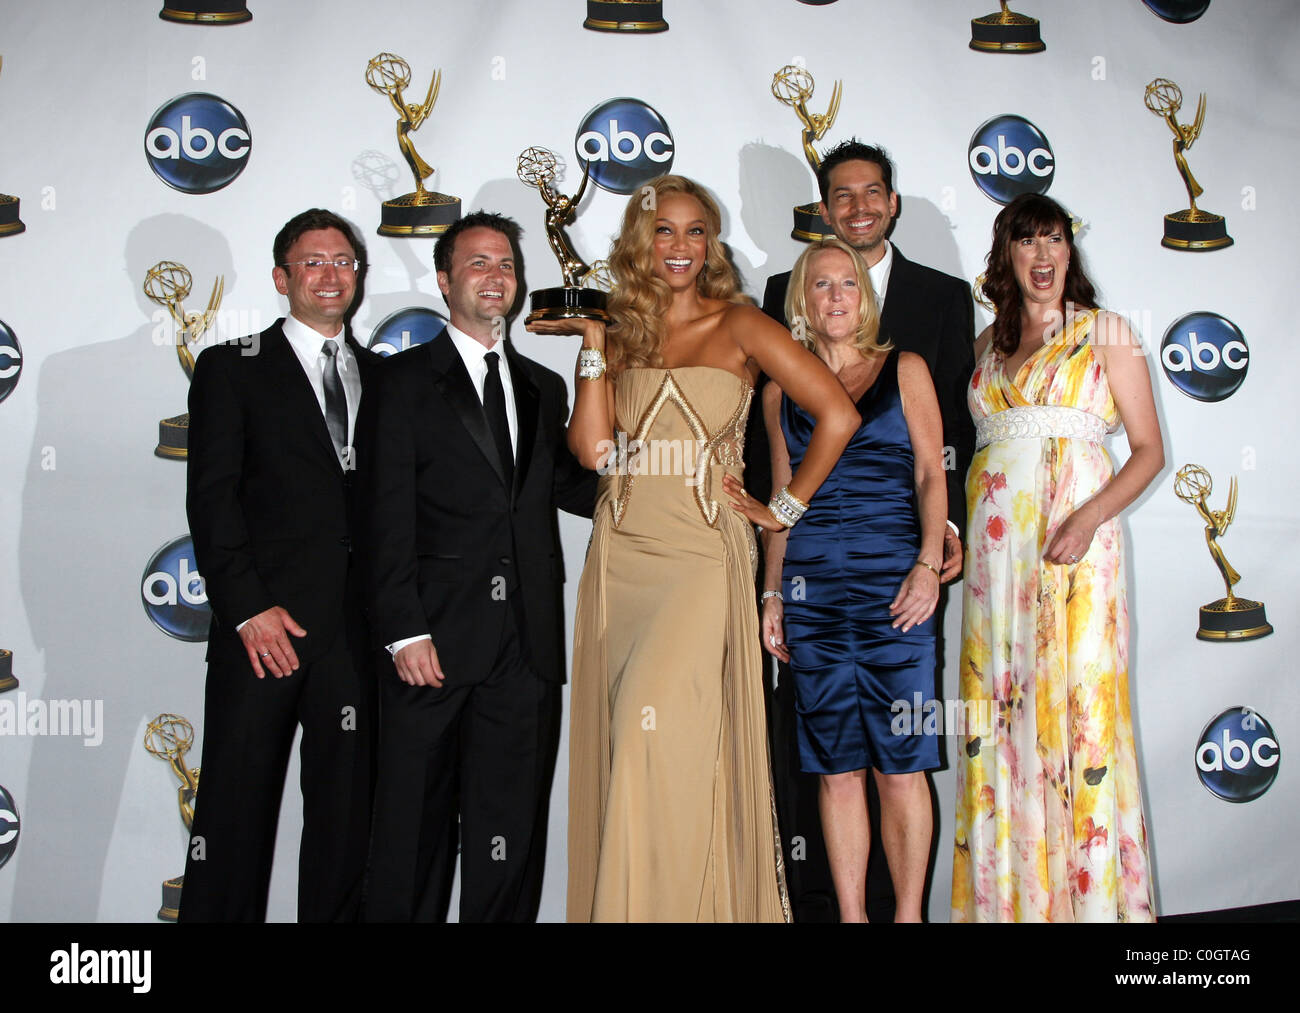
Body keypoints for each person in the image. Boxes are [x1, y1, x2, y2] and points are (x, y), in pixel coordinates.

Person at [533, 175, 859, 922]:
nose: (679, 246)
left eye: (695, 231)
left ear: (711, 244)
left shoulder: (740, 323)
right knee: (637, 743)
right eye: (664, 231)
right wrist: (592, 342)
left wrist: (782, 509)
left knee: (651, 737)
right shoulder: (619, 329)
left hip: (702, 560)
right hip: (622, 556)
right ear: (639, 242)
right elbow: (591, 452)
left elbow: (836, 414)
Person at [757, 139, 973, 921]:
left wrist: (927, 562)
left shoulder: (906, 367)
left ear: (865, 295)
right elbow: (782, 497)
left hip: (896, 590)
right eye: (821, 284)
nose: (836, 294)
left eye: (848, 282)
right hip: (813, 593)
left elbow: (932, 472)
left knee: (901, 764)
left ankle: (907, 916)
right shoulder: (779, 390)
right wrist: (772, 593)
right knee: (835, 765)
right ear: (802, 298)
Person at [359, 211, 595, 922]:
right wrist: (403, 630)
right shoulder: (398, 382)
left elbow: (572, 488)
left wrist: (672, 472)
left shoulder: (541, 387)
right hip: (429, 642)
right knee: (411, 835)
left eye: (506, 265)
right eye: (478, 264)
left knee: (509, 837)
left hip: (524, 649)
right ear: (444, 281)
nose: (496, 277)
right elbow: (381, 514)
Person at [952, 194, 1162, 922]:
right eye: (1027, 242)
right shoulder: (986, 344)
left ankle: (1092, 909)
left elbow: (1148, 451)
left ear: (1070, 251)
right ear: (1006, 255)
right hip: (994, 567)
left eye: (1054, 240)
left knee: (1081, 713)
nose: (1042, 256)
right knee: (1000, 720)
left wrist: (1086, 517)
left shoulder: (1107, 332)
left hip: (1076, 556)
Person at [182, 208, 380, 921]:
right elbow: (212, 501)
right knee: (232, 822)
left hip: (357, 639)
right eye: (313, 262)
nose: (331, 275)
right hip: (263, 633)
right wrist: (246, 608)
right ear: (280, 277)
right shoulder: (231, 367)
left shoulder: (387, 378)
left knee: (346, 828)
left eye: (344, 262)